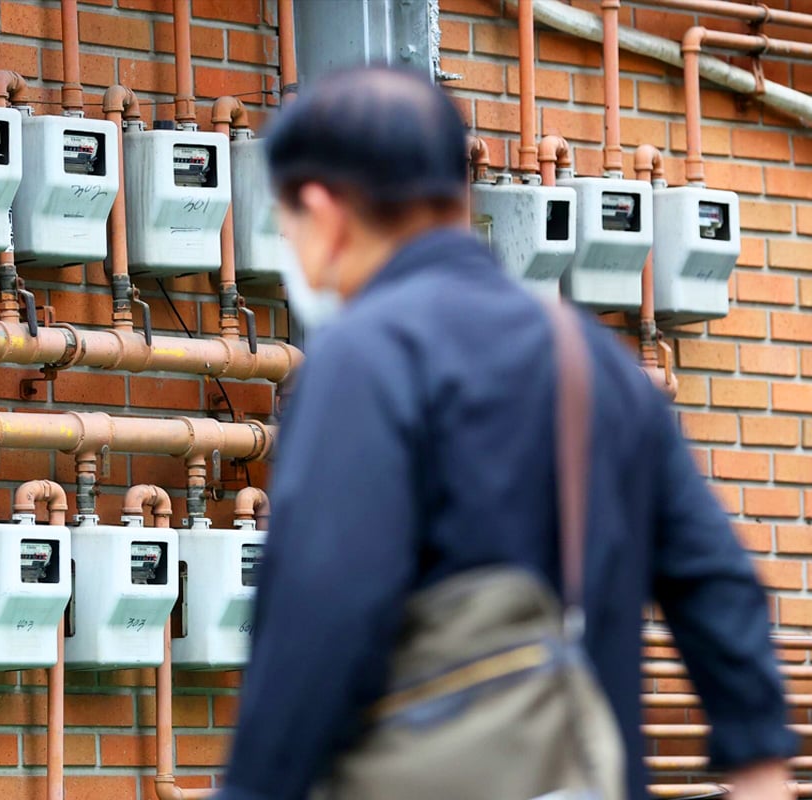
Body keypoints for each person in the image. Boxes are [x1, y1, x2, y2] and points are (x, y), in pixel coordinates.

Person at [218, 66, 797, 800]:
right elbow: (716, 577)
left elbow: (322, 610)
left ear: (323, 210)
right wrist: (757, 762)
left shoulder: (365, 355)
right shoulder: (591, 360)